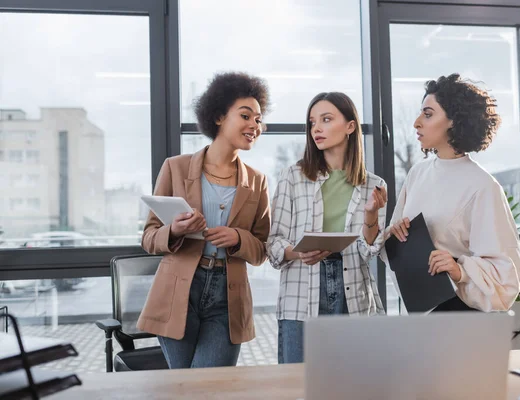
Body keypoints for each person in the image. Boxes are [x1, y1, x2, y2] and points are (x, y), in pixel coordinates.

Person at [137, 72, 271, 368]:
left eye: (259, 119)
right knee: (185, 387)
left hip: (228, 295)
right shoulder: (175, 167)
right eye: (246, 116)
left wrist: (238, 238)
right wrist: (175, 230)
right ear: (219, 116)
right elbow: (149, 237)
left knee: (212, 388)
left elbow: (262, 249)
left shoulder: (258, 182)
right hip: (178, 292)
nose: (254, 126)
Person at [267, 92, 388, 364]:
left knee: (355, 387)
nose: (316, 129)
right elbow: (273, 242)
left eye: (326, 119)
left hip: (354, 296)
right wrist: (297, 253)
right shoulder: (293, 177)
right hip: (300, 295)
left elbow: (369, 252)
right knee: (299, 387)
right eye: (312, 122)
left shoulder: (375, 185)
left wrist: (371, 214)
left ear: (350, 126)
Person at [387, 73, 520, 312]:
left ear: (454, 121)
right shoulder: (417, 174)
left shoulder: (483, 186)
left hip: (460, 311)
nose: (416, 122)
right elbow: (395, 245)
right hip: (418, 306)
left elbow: (506, 274)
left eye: (428, 114)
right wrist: (395, 232)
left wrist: (458, 269)